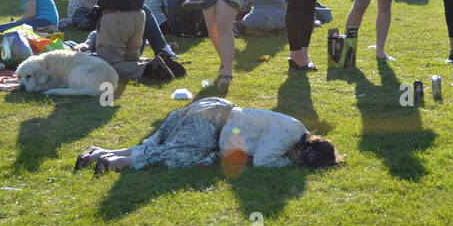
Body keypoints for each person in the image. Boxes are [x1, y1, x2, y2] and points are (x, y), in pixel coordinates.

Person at [76, 98, 340, 174]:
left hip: (215, 110)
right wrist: (287, 163)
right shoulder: (288, 136)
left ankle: (100, 153)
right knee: (176, 154)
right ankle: (112, 162)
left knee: (159, 141)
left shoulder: (294, 126)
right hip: (213, 125)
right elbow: (262, 161)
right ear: (305, 151)